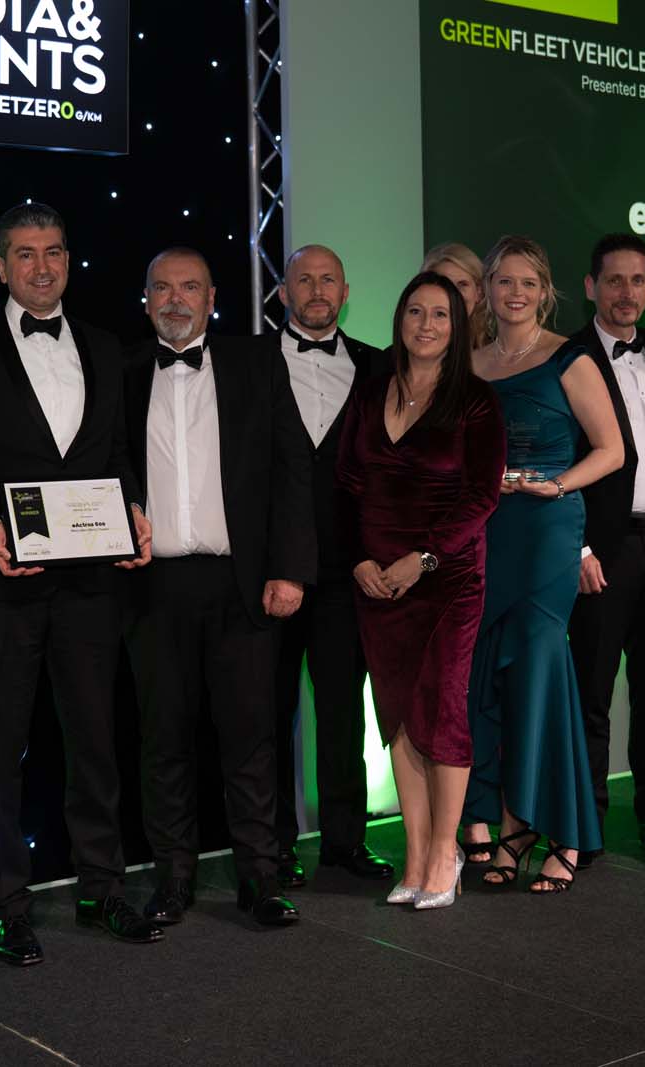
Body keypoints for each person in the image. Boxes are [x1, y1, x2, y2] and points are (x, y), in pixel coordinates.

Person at [0, 203, 157, 966]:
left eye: (53, 251)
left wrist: (132, 508)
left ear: (69, 259)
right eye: (24, 253)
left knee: (96, 741)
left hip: (90, 581)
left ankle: (102, 887)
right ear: (0, 267)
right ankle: (5, 902)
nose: (41, 266)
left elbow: (115, 452)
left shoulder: (103, 345)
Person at [122, 247, 316, 927]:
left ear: (212, 299)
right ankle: (173, 878)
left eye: (190, 287)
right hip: (151, 587)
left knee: (252, 737)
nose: (175, 299)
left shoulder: (258, 362)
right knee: (163, 740)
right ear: (146, 299)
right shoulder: (120, 370)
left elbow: (294, 468)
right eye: (162, 288)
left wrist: (290, 567)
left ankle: (260, 877)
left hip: (243, 584)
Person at [337, 271, 505, 909]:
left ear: (457, 327)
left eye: (440, 314)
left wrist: (424, 558)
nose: (426, 325)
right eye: (415, 312)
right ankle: (413, 854)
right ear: (399, 320)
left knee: (441, 711)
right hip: (377, 583)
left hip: (447, 580)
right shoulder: (370, 391)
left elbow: (482, 496)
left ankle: (443, 851)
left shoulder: (476, 401)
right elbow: (347, 485)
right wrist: (359, 560)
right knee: (399, 716)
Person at [462, 235, 624, 893]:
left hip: (548, 531)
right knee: (493, 682)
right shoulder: (469, 364)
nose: (516, 293)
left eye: (528, 282)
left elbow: (612, 450)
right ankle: (514, 825)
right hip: (488, 532)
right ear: (487, 289)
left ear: (546, 291)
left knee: (539, 673)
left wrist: (555, 486)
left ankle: (566, 832)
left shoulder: (569, 357)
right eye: (505, 281)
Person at [268, 244, 395, 888]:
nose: (316, 290)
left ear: (346, 293)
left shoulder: (381, 366)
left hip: (350, 572)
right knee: (268, 715)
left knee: (344, 713)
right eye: (304, 279)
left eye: (328, 280)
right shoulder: (245, 362)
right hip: (271, 572)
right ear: (283, 292)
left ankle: (346, 842)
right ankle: (272, 847)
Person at [564, 234, 645, 865]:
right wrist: (579, 548)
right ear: (591, 287)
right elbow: (557, 458)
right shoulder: (567, 356)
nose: (626, 292)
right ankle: (586, 825)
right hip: (603, 551)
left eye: (637, 280)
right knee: (591, 693)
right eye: (614, 280)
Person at [421, 242, 489, 348]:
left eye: (462, 284)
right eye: (444, 284)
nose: (454, 293)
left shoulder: (495, 353)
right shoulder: (397, 354)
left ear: (478, 293)